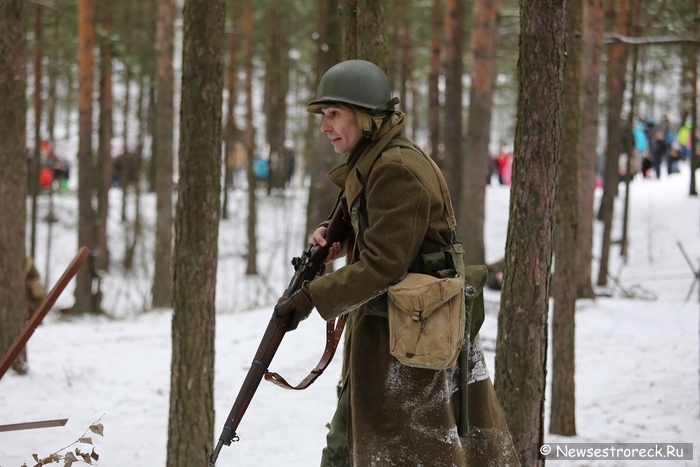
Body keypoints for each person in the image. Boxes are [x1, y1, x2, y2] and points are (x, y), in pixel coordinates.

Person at [274, 59, 519, 467]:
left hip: (411, 338)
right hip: (401, 330)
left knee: (400, 449)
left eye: (334, 113)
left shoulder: (393, 168)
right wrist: (341, 236)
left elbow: (384, 265)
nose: (325, 125)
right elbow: (395, 231)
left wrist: (311, 297)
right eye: (324, 115)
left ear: (366, 116)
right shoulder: (377, 159)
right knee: (348, 441)